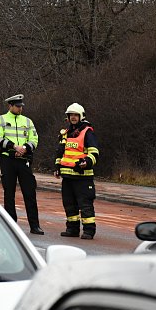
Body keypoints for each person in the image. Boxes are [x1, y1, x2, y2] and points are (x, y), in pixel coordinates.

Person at [0, 94, 44, 235]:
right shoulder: (0, 119)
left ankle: (35, 225)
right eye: (17, 106)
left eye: (21, 106)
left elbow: (34, 138)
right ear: (10, 106)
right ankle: (11, 225)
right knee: (9, 192)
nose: (20, 108)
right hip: (8, 159)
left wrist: (25, 148)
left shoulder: (27, 121)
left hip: (23, 159)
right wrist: (14, 146)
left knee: (30, 192)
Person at [54, 103, 100, 240]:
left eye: (76, 115)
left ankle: (89, 231)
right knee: (69, 205)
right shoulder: (65, 133)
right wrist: (57, 167)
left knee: (85, 205)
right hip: (67, 177)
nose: (73, 117)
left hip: (83, 177)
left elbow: (94, 152)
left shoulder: (87, 132)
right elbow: (60, 152)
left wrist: (87, 162)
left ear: (81, 116)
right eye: (71, 115)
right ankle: (72, 229)